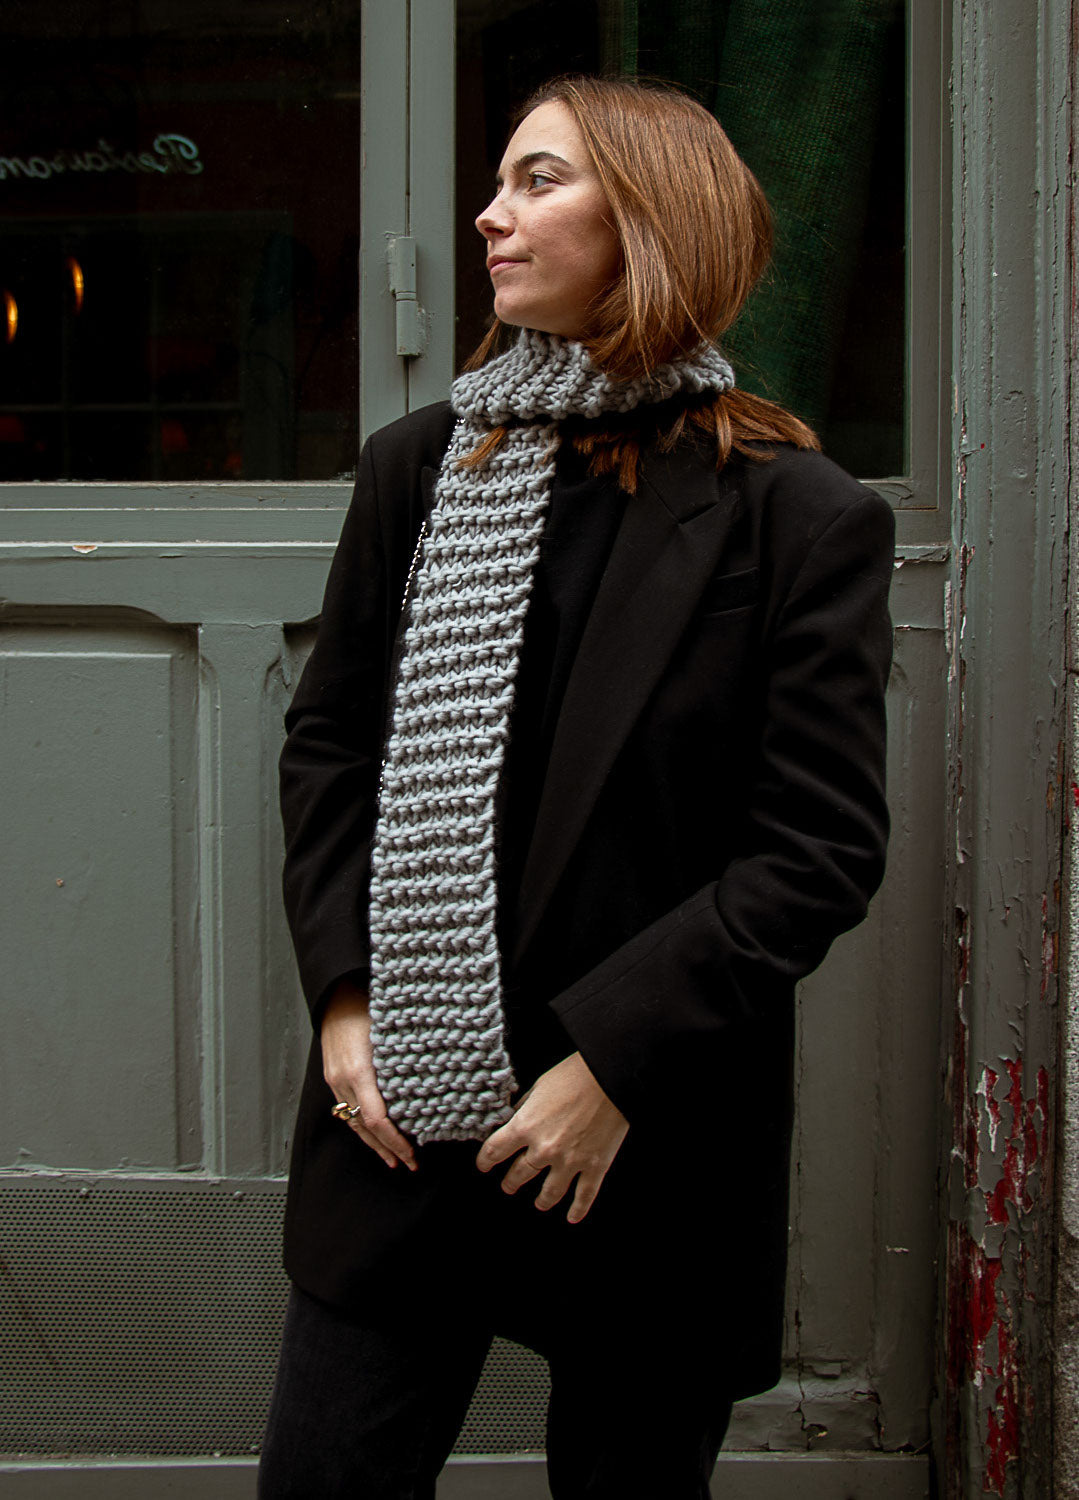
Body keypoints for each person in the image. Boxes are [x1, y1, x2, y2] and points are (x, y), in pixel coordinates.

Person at [258, 74, 894, 1500]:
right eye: (498, 182)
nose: (490, 215)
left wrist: (614, 1068)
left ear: (654, 218)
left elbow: (816, 849)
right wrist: (346, 998)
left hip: (646, 1130)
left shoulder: (797, 516)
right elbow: (333, 745)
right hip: (406, 1106)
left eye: (538, 180)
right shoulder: (418, 471)